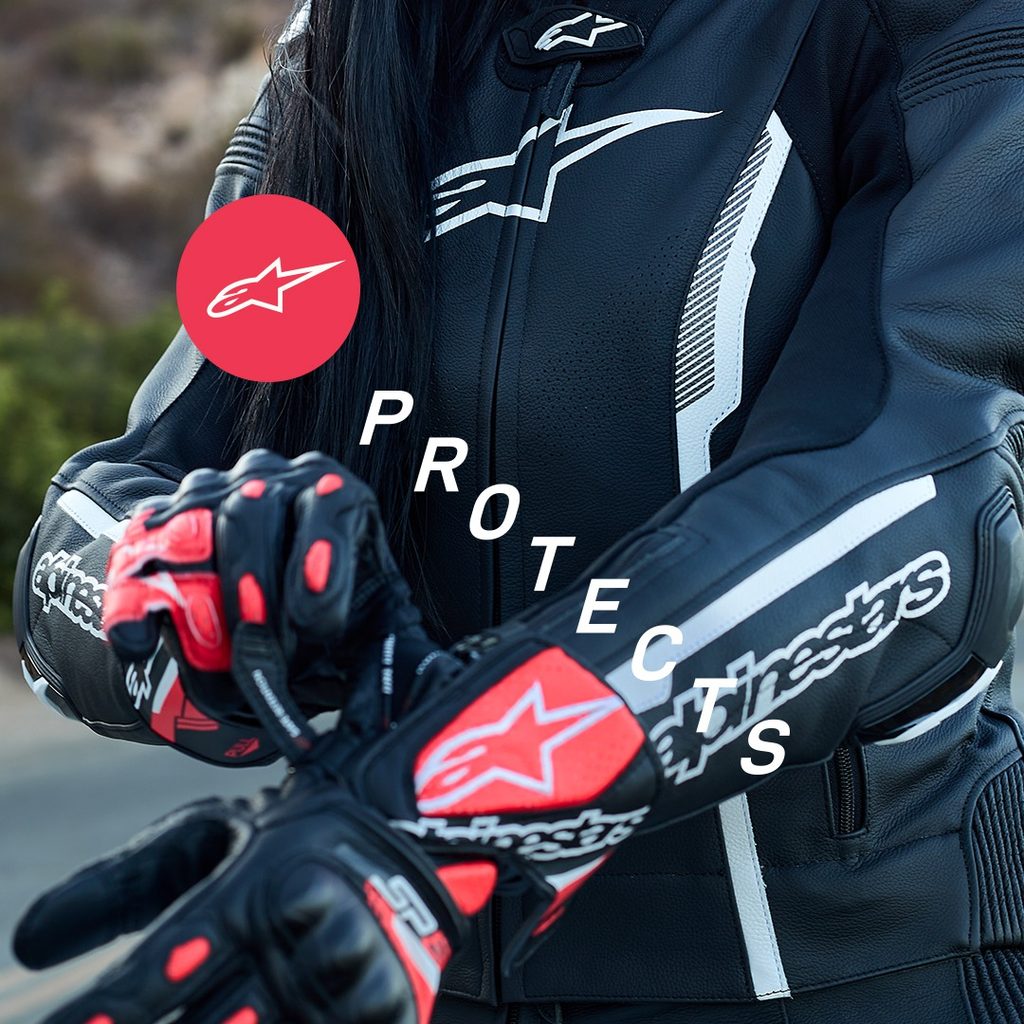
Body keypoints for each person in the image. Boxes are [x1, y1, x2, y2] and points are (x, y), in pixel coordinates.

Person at [11, 0, 1024, 1021]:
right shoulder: (344, 43)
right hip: (395, 968)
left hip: (859, 970)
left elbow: (912, 481)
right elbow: (116, 508)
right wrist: (195, 586)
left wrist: (447, 799)